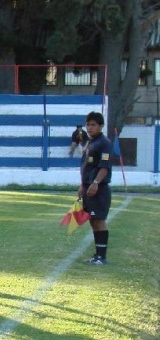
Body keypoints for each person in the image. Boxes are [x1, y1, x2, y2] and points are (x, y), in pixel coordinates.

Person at [78, 111, 112, 265]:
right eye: (88, 125)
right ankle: (97, 255)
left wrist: (96, 183)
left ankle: (102, 257)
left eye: (93, 125)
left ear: (101, 126)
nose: (90, 128)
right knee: (92, 220)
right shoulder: (90, 142)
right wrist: (82, 185)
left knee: (99, 220)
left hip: (98, 188)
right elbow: (86, 166)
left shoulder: (104, 143)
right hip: (87, 187)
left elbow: (104, 167)